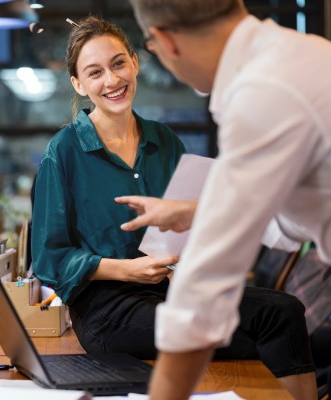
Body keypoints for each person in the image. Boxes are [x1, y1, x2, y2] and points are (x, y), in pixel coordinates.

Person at [31, 15, 316, 399]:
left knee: (283, 310)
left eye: (118, 64)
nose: (112, 80)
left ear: (134, 62)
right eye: (95, 72)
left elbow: (196, 224)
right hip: (108, 309)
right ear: (79, 85)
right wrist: (127, 270)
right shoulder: (62, 152)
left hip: (174, 288)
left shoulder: (164, 140)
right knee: (268, 333)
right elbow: (50, 259)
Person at [115, 0, 331, 399]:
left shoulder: (262, 92)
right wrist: (198, 212)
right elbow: (301, 213)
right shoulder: (302, 53)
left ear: (164, 41)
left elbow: (207, 284)